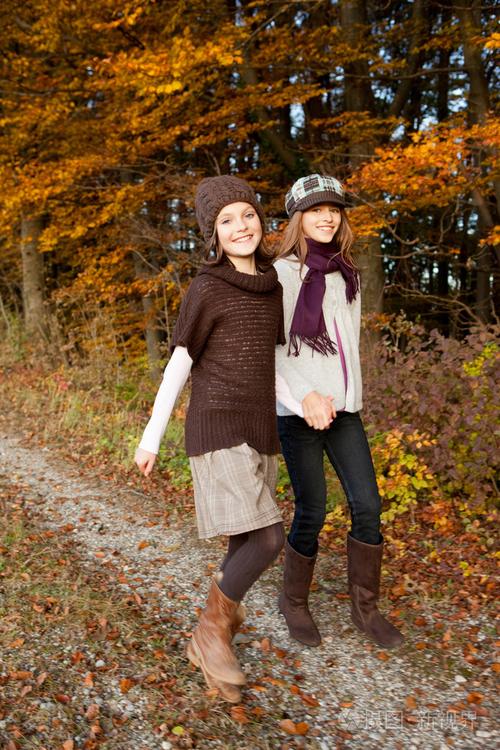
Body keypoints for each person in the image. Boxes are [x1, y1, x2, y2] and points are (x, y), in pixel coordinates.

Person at [135, 175, 299, 703]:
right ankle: (210, 631)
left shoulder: (273, 287)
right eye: (225, 220)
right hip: (216, 424)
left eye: (246, 214)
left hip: (260, 428)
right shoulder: (207, 288)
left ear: (260, 219)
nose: (240, 226)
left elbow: (272, 370)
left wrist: (306, 406)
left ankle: (217, 636)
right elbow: (178, 365)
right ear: (213, 235)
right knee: (270, 537)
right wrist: (151, 438)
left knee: (244, 540)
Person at [274, 174, 404, 649]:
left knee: (368, 505)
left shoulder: (348, 273)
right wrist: (307, 396)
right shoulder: (282, 275)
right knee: (313, 510)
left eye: (333, 208)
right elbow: (275, 351)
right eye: (315, 209)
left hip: (345, 411)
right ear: (298, 218)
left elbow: (346, 347)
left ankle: (365, 608)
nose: (327, 216)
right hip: (299, 412)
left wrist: (345, 397)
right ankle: (294, 603)